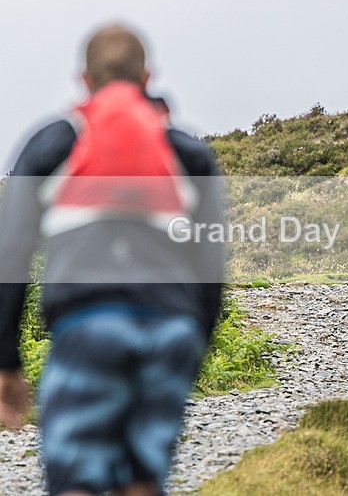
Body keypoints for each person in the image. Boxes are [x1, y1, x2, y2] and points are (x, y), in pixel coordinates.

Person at [0, 24, 225, 496]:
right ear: (147, 77)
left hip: (88, 324)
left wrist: (5, 360)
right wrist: (194, 350)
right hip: (172, 327)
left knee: (76, 479)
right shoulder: (187, 151)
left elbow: (10, 254)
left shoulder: (53, 143)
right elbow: (211, 270)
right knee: (141, 481)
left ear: (85, 80)